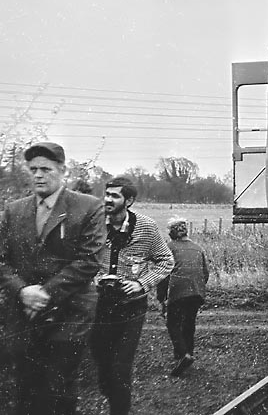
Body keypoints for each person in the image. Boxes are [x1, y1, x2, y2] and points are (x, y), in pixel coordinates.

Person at [0, 142, 106, 415]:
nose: (38, 175)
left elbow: (89, 260)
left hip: (69, 314)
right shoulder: (15, 210)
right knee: (25, 389)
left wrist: (43, 294)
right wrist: (22, 292)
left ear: (62, 170)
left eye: (45, 169)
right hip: (25, 316)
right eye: (33, 169)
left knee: (60, 391)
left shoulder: (88, 207)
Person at [90, 177, 174, 415]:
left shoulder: (145, 227)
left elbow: (165, 260)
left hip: (131, 307)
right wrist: (95, 278)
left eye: (115, 196)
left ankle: (119, 409)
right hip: (99, 304)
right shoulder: (94, 223)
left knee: (121, 367)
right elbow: (82, 258)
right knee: (100, 357)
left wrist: (141, 284)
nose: (107, 199)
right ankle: (110, 388)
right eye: (106, 194)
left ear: (129, 201)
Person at [157, 217, 210, 377]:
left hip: (178, 291)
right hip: (196, 291)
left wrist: (162, 298)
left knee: (173, 323)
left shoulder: (169, 247)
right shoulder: (198, 248)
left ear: (172, 233)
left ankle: (182, 354)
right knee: (189, 323)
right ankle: (188, 354)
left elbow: (164, 274)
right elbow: (205, 273)